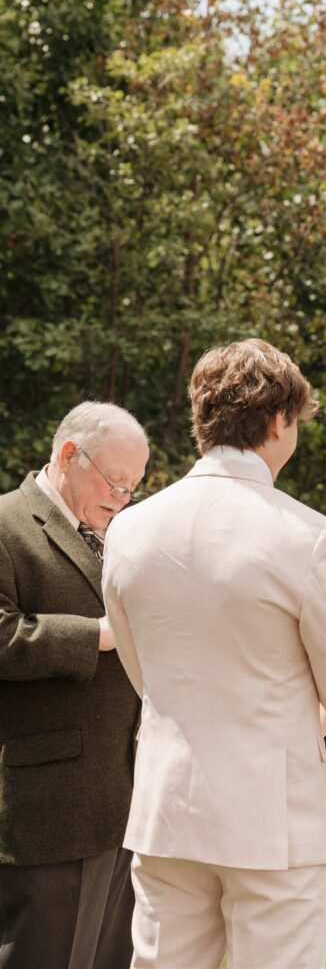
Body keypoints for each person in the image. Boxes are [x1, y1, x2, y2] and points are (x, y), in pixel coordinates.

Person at [102, 339, 326, 969]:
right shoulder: (306, 535)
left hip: (167, 806)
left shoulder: (130, 527)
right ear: (279, 420)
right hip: (272, 819)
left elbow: (140, 665)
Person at [0, 401, 149, 969]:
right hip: (46, 807)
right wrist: (98, 636)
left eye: (133, 487)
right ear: (69, 455)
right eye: (115, 481)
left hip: (123, 798)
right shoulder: (6, 522)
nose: (122, 498)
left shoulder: (122, 535)